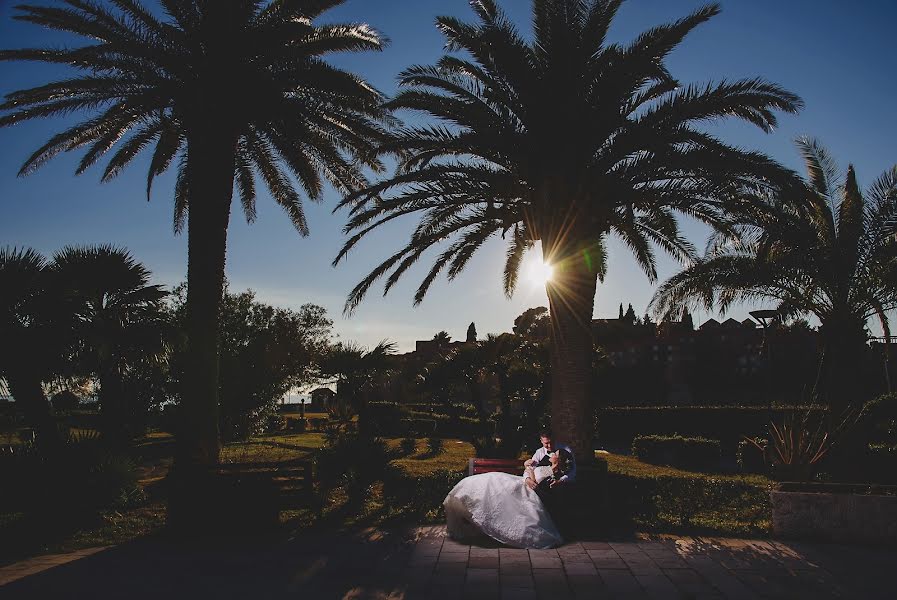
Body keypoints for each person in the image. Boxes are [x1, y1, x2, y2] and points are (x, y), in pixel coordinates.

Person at [443, 443, 572, 549]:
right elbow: (528, 474)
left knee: (494, 486)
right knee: (492, 479)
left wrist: (529, 472)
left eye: (555, 454)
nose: (552, 454)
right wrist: (528, 473)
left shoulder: (552, 477)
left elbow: (535, 485)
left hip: (525, 492)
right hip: (519, 482)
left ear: (558, 461)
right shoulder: (545, 465)